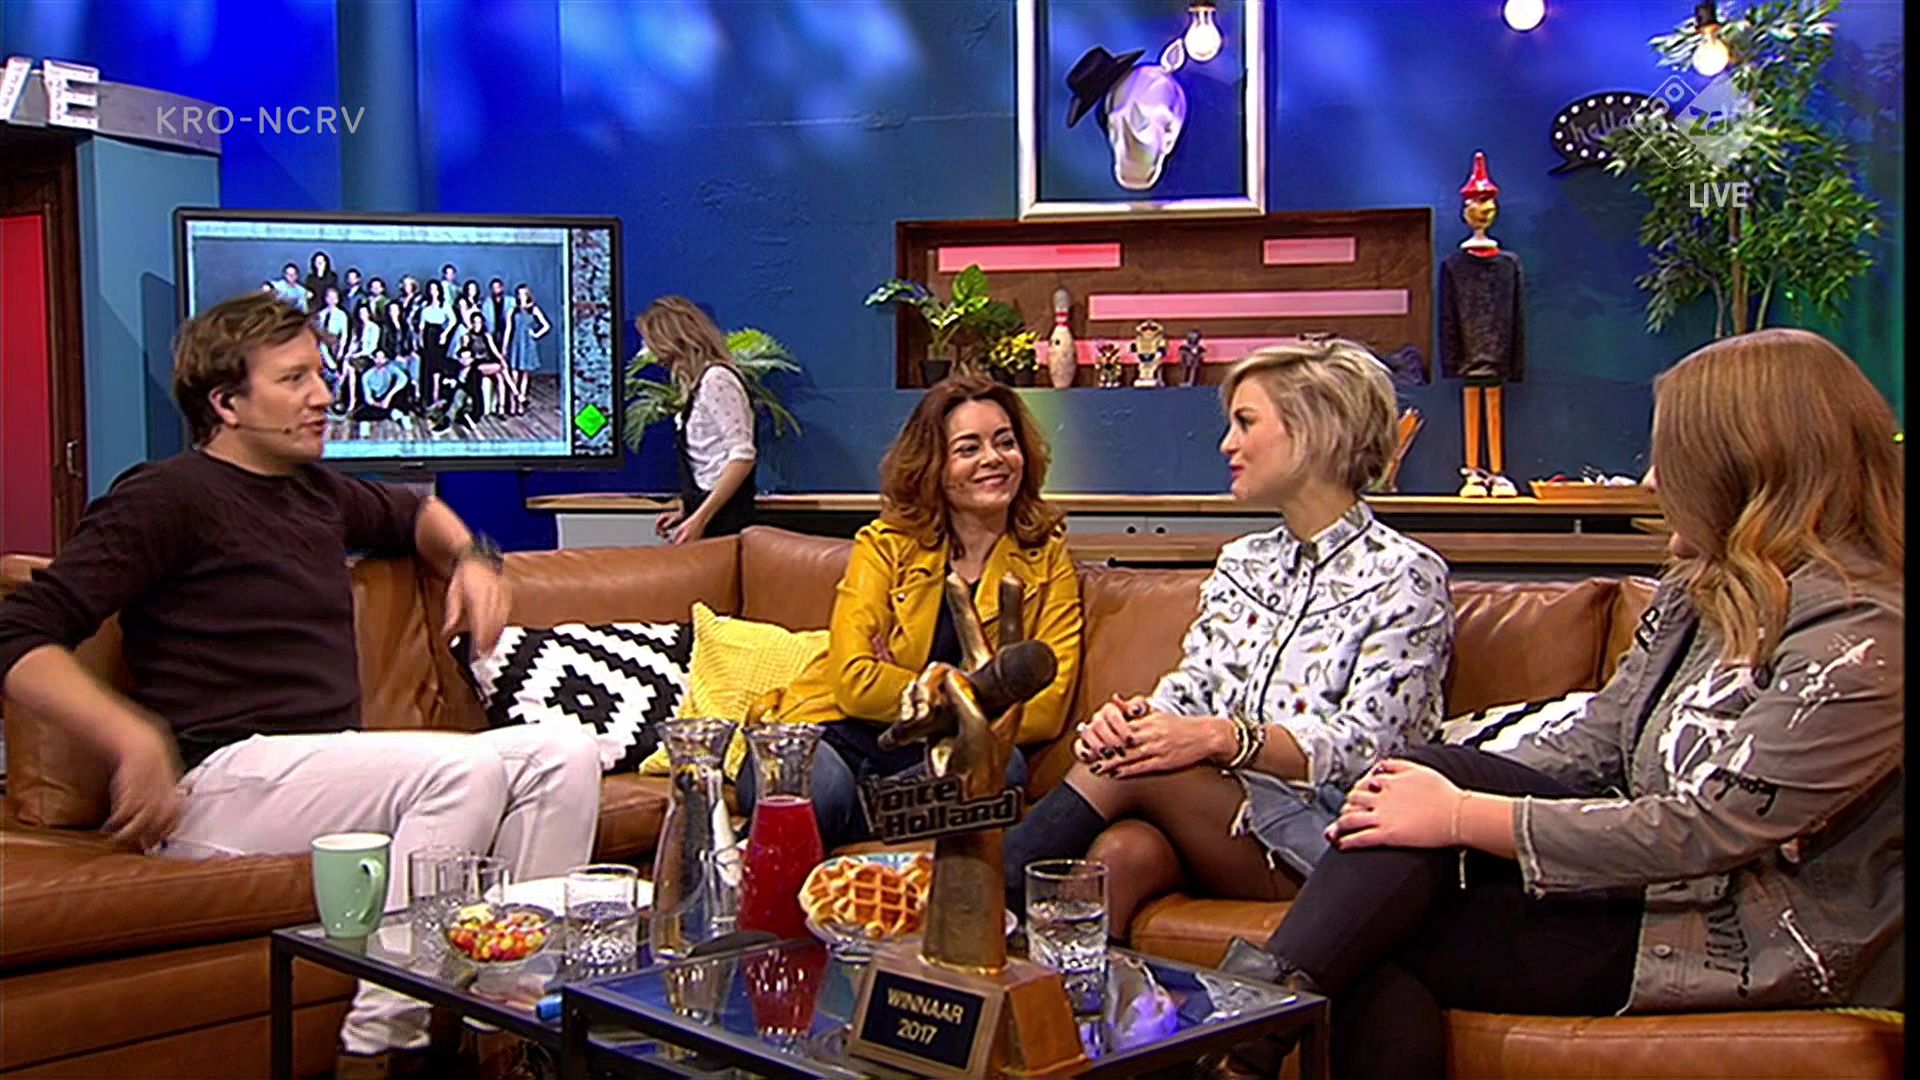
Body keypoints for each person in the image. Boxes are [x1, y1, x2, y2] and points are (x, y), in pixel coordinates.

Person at [1218, 328, 1904, 1080]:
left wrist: (1463, 816)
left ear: (1744, 465)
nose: (1650, 482)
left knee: (1372, 933)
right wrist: (1431, 792)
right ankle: (1237, 1047)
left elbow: (1711, 826)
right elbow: (1601, 738)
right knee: (1407, 813)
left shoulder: (1864, 634)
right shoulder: (1699, 593)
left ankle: (1233, 1040)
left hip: (1745, 934)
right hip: (1654, 889)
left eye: (1670, 458)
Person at [0, 292, 601, 1079]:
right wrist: (131, 738)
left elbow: (414, 514)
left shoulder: (316, 490)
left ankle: (511, 1023)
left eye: (319, 373)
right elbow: (19, 635)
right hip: (219, 778)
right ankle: (379, 1046)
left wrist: (473, 561)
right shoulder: (164, 495)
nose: (323, 394)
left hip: (322, 769)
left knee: (566, 752)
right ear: (227, 403)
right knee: (466, 769)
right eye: (294, 379)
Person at [1002, 339, 1454, 933]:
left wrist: (1220, 739)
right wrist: (1136, 719)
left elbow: (1371, 747)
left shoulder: (1405, 575)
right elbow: (1194, 687)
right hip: (1220, 816)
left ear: (1315, 431)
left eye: (1246, 422)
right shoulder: (1244, 563)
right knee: (1123, 854)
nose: (1226, 445)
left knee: (1136, 766)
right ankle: (1059, 988)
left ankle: (975, 903)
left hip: (1333, 835)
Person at [749, 375, 1083, 851]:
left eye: (1005, 442)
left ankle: (864, 814)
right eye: (968, 449)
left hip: (936, 754)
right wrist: (979, 692)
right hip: (832, 733)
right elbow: (854, 682)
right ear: (934, 465)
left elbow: (1046, 707)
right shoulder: (885, 545)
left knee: (1001, 769)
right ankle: (881, 814)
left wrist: (917, 684)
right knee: (813, 790)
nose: (993, 458)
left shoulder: (1047, 558)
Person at [635, 296, 759, 543]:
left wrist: (700, 518)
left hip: (724, 522)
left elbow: (742, 456)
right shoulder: (698, 386)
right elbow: (709, 461)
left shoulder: (717, 380)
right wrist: (687, 510)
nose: (654, 356)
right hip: (709, 515)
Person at [502, 283, 551, 416]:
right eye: (519, 294)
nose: (521, 296)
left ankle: (521, 405)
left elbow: (546, 325)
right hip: (516, 343)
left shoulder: (533, 309)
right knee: (514, 375)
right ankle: (513, 403)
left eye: (523, 293)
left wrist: (536, 334)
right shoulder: (513, 310)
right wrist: (504, 347)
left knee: (524, 375)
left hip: (528, 344)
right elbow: (508, 330)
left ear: (528, 295)